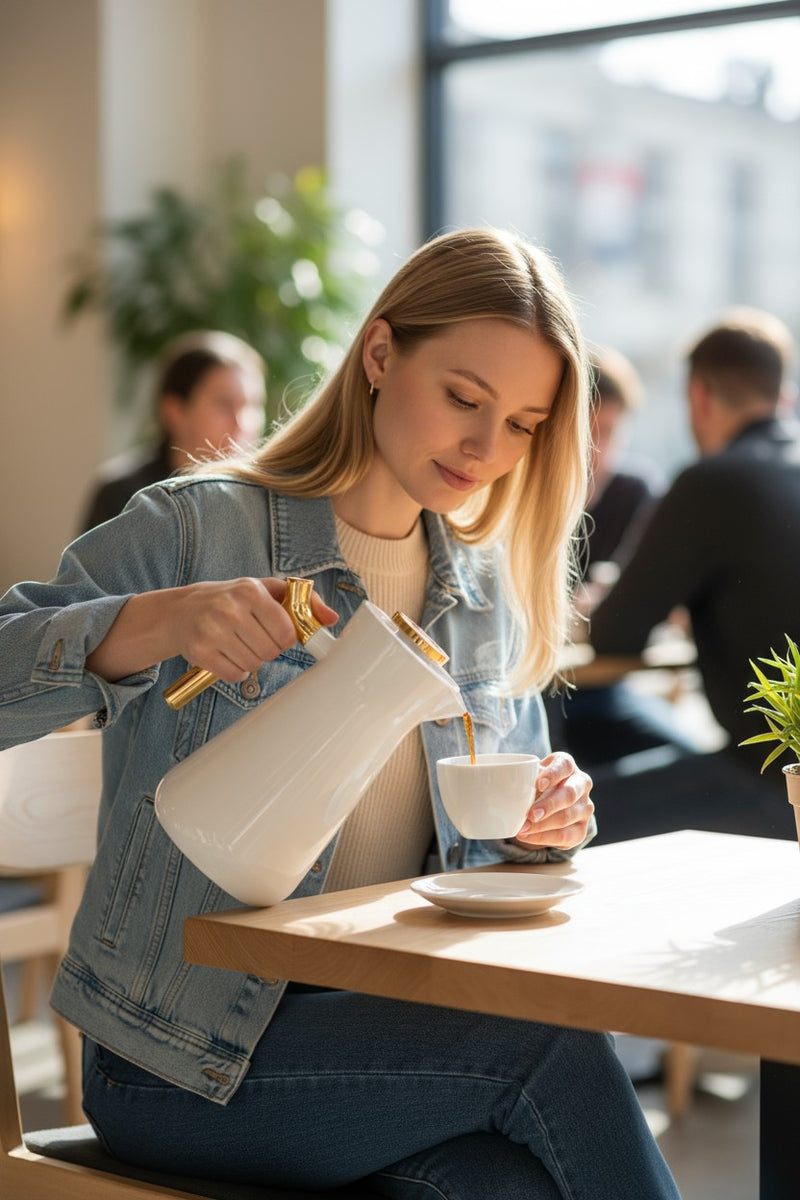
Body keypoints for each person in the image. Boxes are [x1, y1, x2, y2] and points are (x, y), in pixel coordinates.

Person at [0, 228, 679, 1199]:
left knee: (502, 1185)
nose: (486, 449)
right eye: (463, 398)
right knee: (549, 1049)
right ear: (378, 354)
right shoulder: (200, 527)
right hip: (174, 1059)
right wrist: (152, 623)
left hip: (385, 1038)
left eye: (523, 423)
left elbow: (487, 853)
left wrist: (540, 826)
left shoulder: (481, 593)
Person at [587, 306, 800, 844]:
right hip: (774, 775)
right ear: (782, 393)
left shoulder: (712, 481)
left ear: (698, 398)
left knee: (555, 821)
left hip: (774, 784)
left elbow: (613, 633)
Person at [548, 346, 696, 769]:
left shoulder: (637, 492)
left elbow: (667, 605)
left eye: (610, 432)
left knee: (694, 765)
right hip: (537, 695)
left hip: (607, 689)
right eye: (586, 432)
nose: (597, 450)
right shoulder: (527, 499)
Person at [80, 329, 267, 531]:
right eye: (224, 404)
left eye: (253, 405)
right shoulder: (124, 496)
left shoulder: (266, 500)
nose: (243, 423)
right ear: (174, 411)